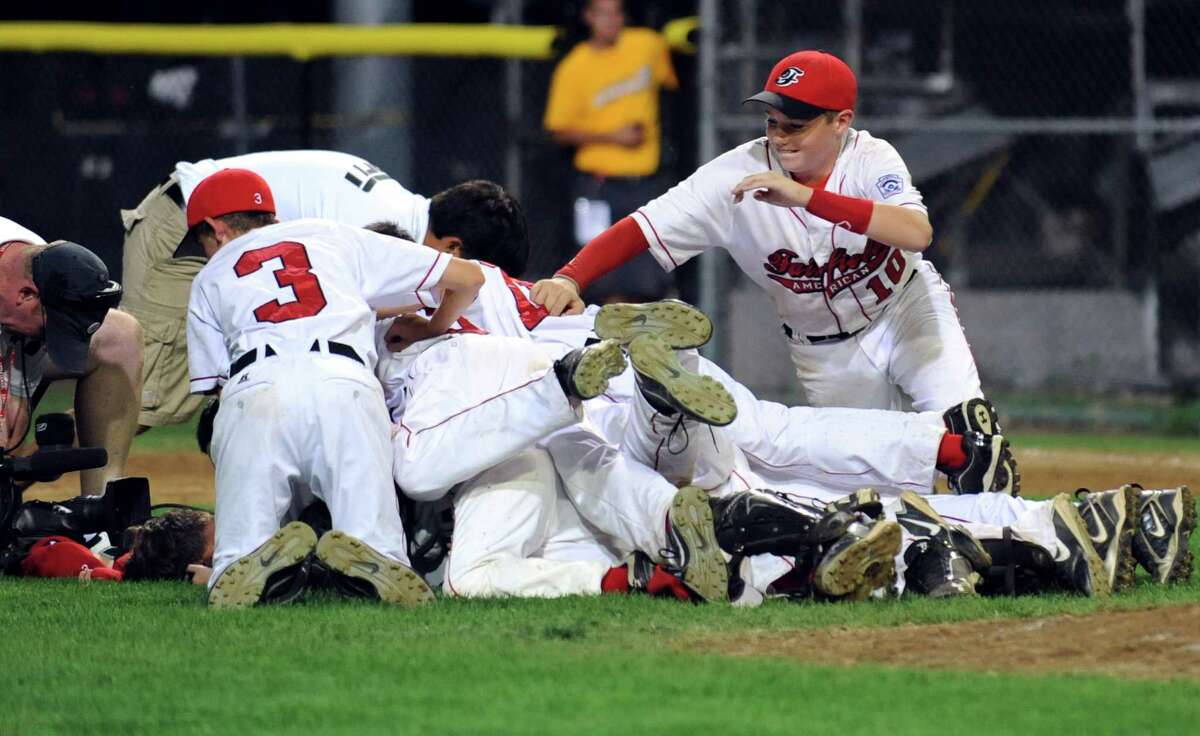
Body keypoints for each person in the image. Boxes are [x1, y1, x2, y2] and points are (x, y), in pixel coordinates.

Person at [532, 50, 1001, 438]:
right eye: (773, 121)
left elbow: (915, 232)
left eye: (795, 125)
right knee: (874, 485)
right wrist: (571, 276)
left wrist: (809, 198)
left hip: (907, 311)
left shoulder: (870, 158)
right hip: (825, 353)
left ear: (841, 122)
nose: (779, 136)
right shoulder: (734, 177)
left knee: (973, 438)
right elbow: (641, 226)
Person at [184, 168, 486, 609]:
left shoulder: (210, 276)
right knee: (378, 548)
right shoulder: (331, 236)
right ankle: (366, 563)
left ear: (216, 229)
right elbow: (468, 277)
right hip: (343, 382)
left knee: (241, 550)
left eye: (201, 241)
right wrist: (431, 327)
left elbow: (215, 390)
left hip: (256, 384)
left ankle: (253, 564)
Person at [120, 148, 526, 429]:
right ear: (454, 246)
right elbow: (333, 308)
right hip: (191, 231)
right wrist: (430, 322)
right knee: (151, 400)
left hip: (219, 229)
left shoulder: (399, 213)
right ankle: (78, 471)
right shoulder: (379, 224)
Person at [544, 0, 678, 304]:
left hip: (646, 182)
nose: (612, 20)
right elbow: (559, 129)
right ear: (588, 16)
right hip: (599, 186)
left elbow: (672, 84)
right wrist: (612, 136)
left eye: (618, 12)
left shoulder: (646, 45)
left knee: (648, 278)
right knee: (601, 279)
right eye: (604, 13)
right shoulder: (575, 66)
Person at [0, 217, 142, 494]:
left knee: (119, 334)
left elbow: (13, 419)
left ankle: (100, 506)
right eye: (52, 328)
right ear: (26, 295)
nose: (52, 338)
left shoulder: (38, 263)